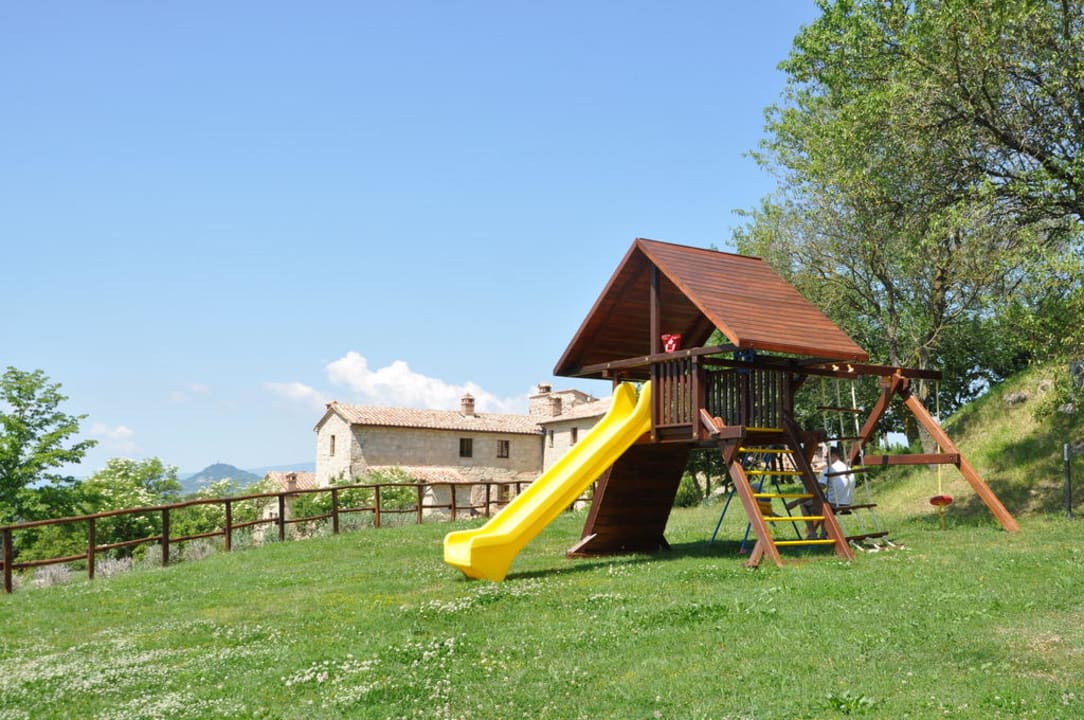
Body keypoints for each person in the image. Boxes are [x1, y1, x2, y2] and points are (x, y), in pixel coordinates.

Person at [803, 446, 855, 539]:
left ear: (834, 456)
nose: (826, 459)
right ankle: (824, 533)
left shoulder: (829, 469)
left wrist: (808, 485)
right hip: (847, 504)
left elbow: (819, 487)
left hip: (834, 504)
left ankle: (812, 534)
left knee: (804, 504)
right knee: (822, 502)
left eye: (827, 457)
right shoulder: (848, 468)